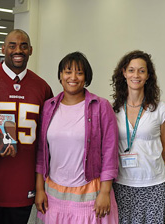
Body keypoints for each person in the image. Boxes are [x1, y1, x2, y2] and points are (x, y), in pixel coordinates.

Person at [0, 29, 53, 224]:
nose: (18, 50)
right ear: (3, 49)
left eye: (24, 46)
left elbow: (45, 139)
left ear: (31, 50)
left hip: (23, 180)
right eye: (12, 45)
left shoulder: (42, 87)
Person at [35, 52, 119, 223]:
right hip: (54, 190)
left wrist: (104, 192)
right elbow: (42, 152)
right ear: (60, 75)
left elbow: (110, 151)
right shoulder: (48, 106)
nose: (73, 77)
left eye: (79, 73)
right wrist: (39, 189)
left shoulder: (100, 106)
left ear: (86, 77)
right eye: (68, 71)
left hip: (90, 191)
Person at [111, 50, 165, 223]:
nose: (136, 75)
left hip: (154, 184)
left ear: (148, 76)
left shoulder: (162, 110)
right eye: (131, 70)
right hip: (122, 184)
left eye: (141, 70)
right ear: (123, 73)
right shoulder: (112, 110)